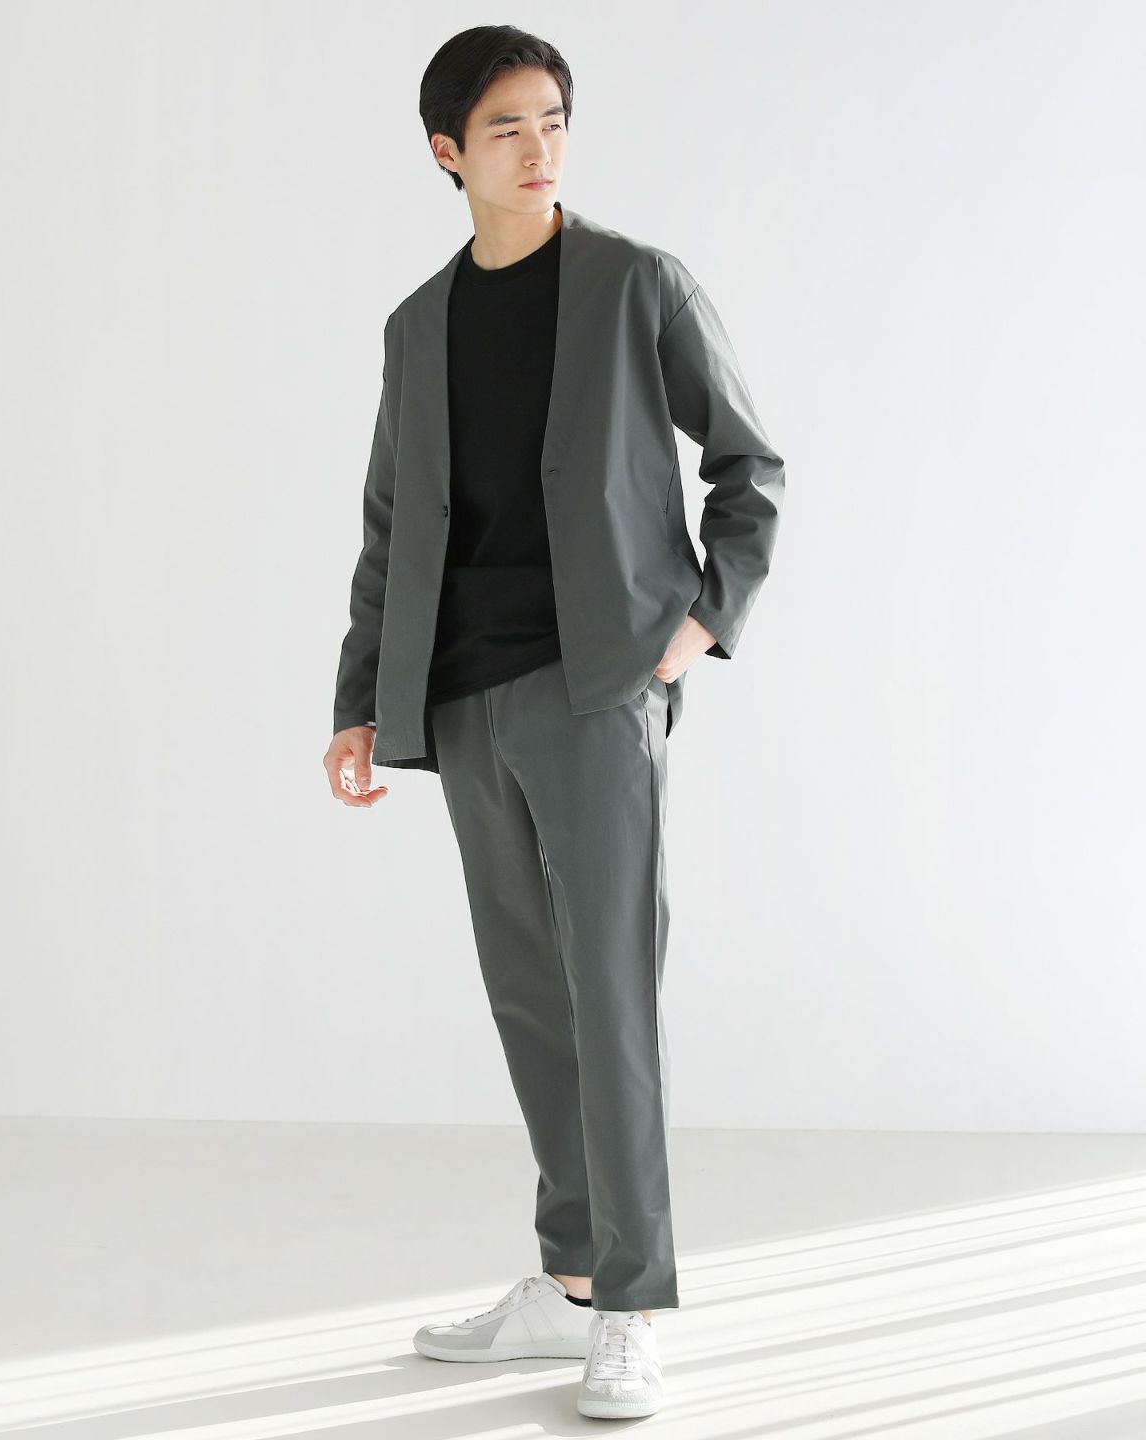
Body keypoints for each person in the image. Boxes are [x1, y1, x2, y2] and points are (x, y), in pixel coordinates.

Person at [322, 25, 785, 1421]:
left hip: (595, 690)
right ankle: (572, 1280)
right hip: (462, 696)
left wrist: (696, 629)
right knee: (530, 994)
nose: (540, 148)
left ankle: (632, 1305)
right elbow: (391, 525)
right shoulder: (418, 324)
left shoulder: (638, 284)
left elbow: (750, 466)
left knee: (611, 996)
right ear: (447, 152)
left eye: (554, 120)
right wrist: (360, 698)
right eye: (508, 127)